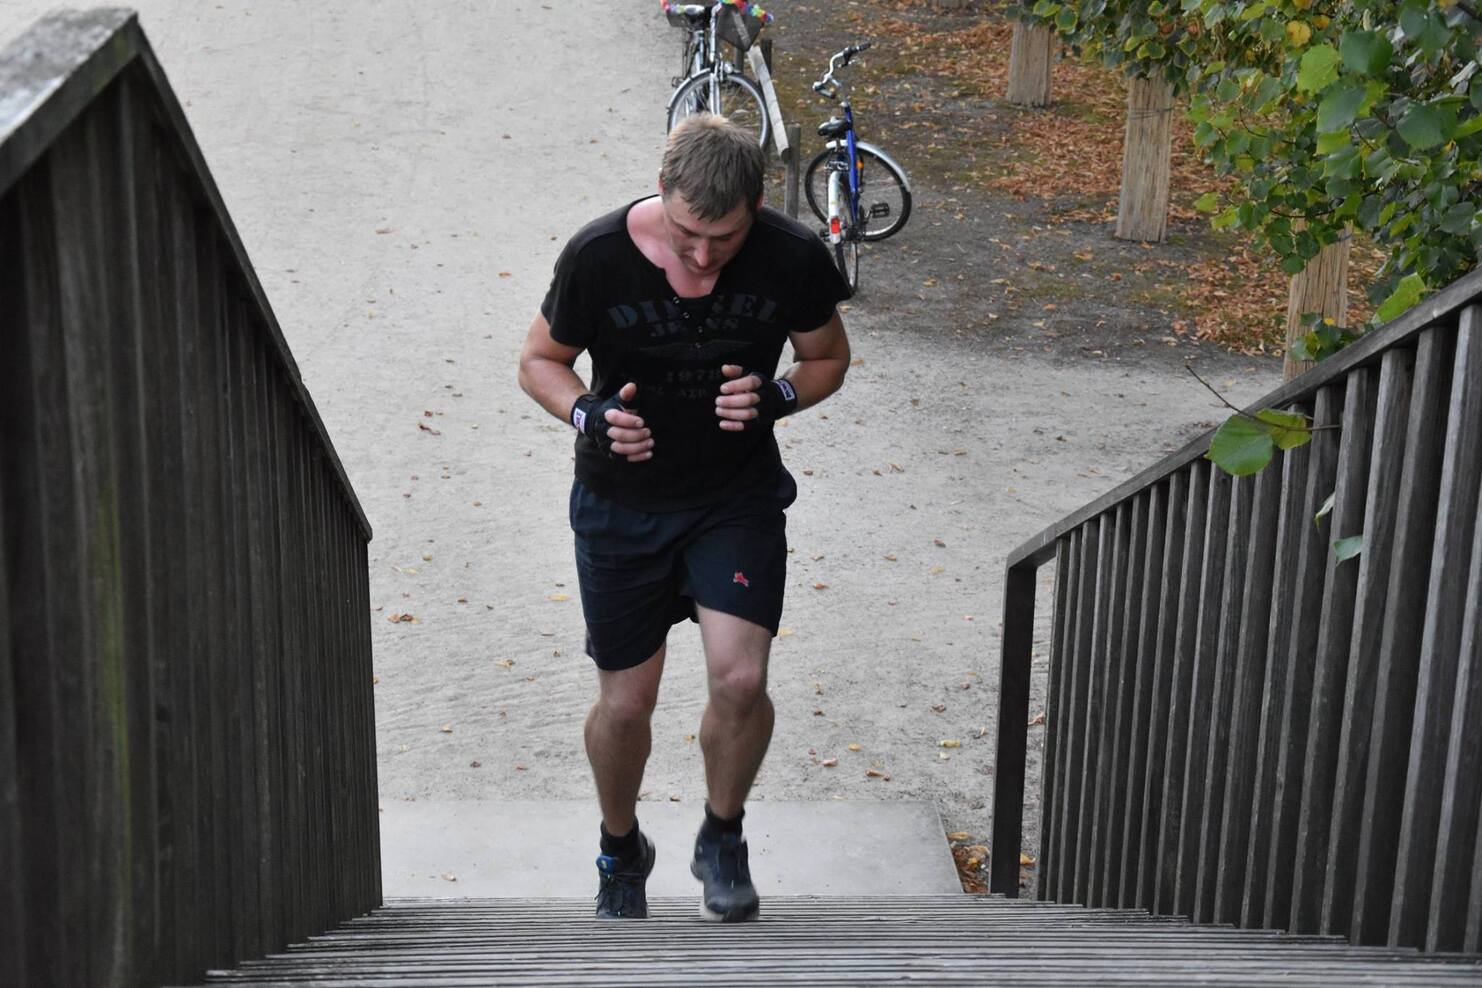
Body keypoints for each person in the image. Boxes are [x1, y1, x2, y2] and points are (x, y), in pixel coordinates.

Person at [517, 114, 852, 922]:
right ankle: (620, 846)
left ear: (758, 206)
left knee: (741, 677)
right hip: (619, 506)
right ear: (661, 195)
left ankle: (723, 832)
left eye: (726, 238)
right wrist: (588, 416)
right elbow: (539, 362)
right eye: (687, 234)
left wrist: (776, 397)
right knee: (627, 703)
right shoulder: (597, 255)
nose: (703, 256)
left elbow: (827, 358)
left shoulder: (793, 256)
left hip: (732, 498)